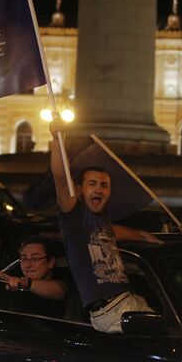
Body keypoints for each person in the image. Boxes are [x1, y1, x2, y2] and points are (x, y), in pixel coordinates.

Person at [49, 121, 161, 333]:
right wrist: (57, 139)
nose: (99, 189)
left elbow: (114, 232)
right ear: (80, 190)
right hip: (109, 310)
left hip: (127, 299)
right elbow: (61, 180)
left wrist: (143, 236)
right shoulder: (74, 217)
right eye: (92, 184)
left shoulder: (102, 221)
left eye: (104, 185)